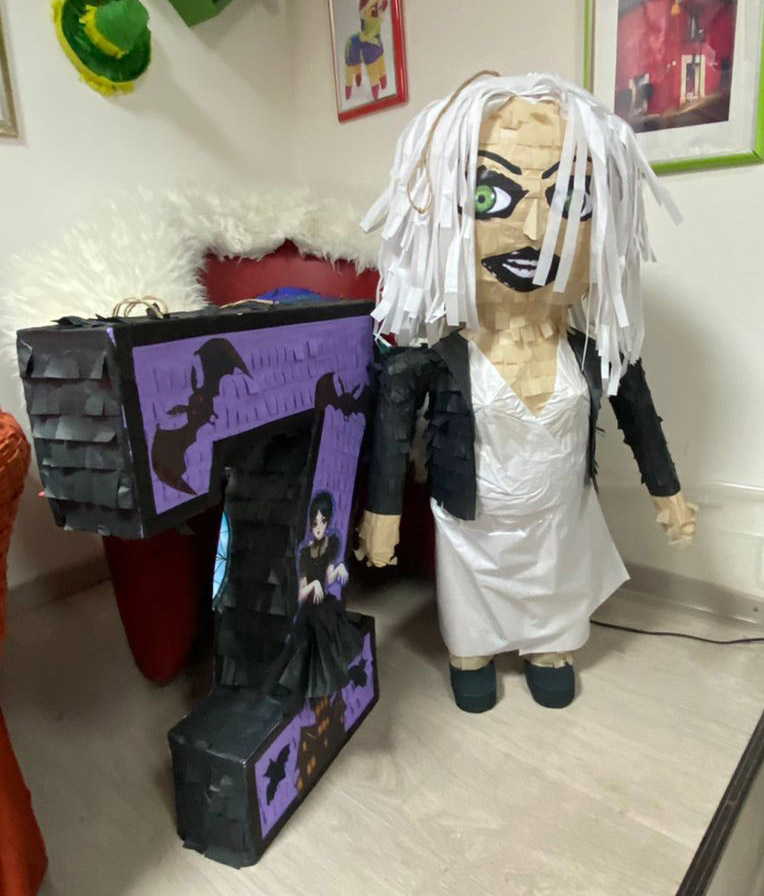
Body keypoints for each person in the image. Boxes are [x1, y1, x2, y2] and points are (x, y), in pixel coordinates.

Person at [357, 72, 697, 713]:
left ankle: (548, 645)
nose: (536, 230)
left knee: (555, 584)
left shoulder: (596, 353)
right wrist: (383, 515)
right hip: (471, 531)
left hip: (559, 524)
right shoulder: (430, 363)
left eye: (571, 199)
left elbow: (640, 419)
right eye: (490, 195)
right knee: (470, 598)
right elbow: (392, 434)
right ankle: (472, 650)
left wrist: (669, 494)